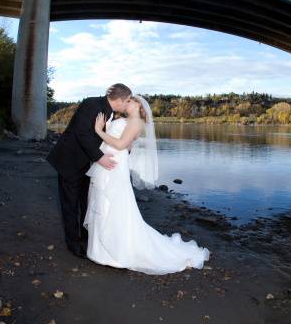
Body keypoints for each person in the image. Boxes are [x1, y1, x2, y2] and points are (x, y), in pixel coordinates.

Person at [84, 95, 210, 275]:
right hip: (107, 163)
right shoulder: (124, 119)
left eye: (130, 100)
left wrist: (99, 130)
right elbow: (126, 147)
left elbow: (121, 145)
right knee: (102, 203)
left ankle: (114, 253)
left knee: (114, 204)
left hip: (113, 165)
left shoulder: (135, 122)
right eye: (126, 100)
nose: (126, 102)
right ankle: (99, 250)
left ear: (137, 105)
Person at [46, 84, 132, 258]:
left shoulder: (112, 113)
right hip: (70, 160)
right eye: (128, 100)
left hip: (88, 165)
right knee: (70, 204)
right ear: (120, 99)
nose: (129, 103)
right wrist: (100, 157)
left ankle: (87, 236)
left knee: (87, 202)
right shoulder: (91, 104)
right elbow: (81, 133)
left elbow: (107, 139)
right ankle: (73, 244)